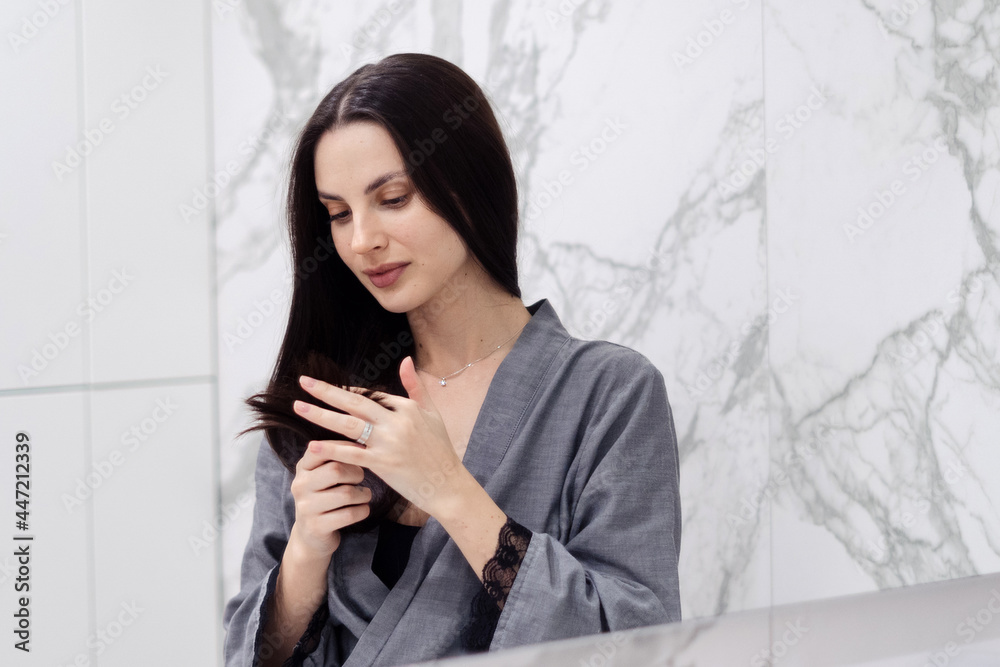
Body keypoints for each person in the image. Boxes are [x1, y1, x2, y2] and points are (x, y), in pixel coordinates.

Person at [222, 52, 682, 667]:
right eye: (338, 214)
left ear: (469, 185)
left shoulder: (611, 396)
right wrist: (305, 553)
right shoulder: (323, 406)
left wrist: (448, 488)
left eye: (393, 197)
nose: (362, 240)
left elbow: (636, 650)